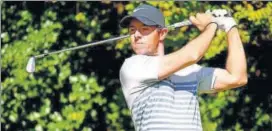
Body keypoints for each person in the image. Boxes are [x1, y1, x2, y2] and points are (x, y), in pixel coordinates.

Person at [119, 4, 247, 131]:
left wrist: (230, 26)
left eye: (144, 29)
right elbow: (192, 54)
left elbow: (237, 77)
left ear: (162, 33)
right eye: (132, 30)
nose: (136, 35)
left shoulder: (189, 71)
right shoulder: (132, 67)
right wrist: (211, 25)